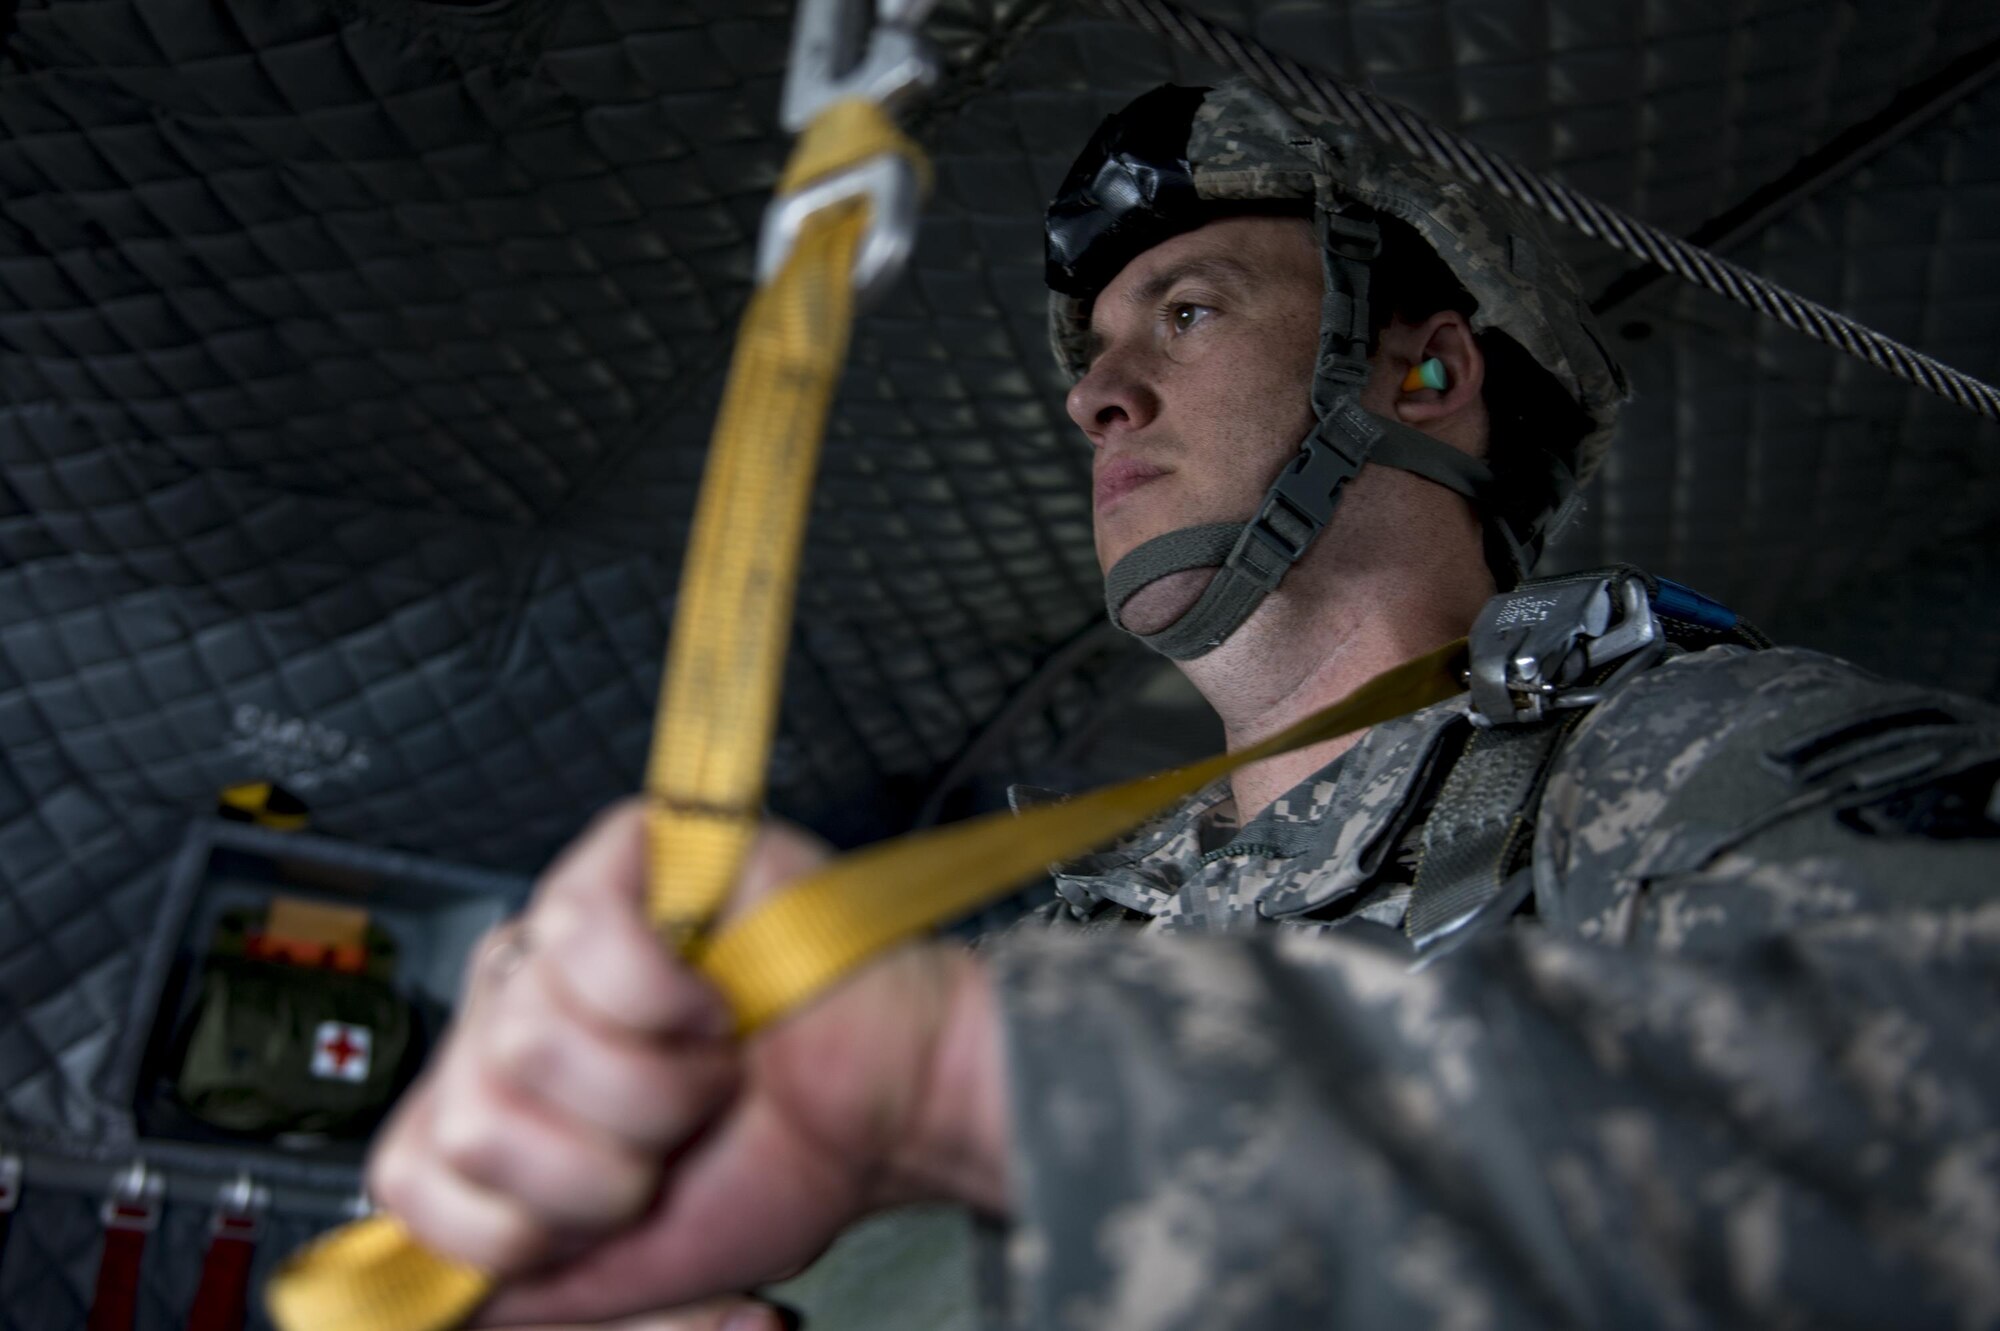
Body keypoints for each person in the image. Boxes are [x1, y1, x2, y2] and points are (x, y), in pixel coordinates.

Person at [366, 80, 2000, 1330]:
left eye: (1192, 307)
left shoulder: (1669, 763)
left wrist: (972, 1087)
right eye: (1095, 343)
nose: (1095, 391)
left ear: (1421, 373)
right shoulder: (1077, 941)